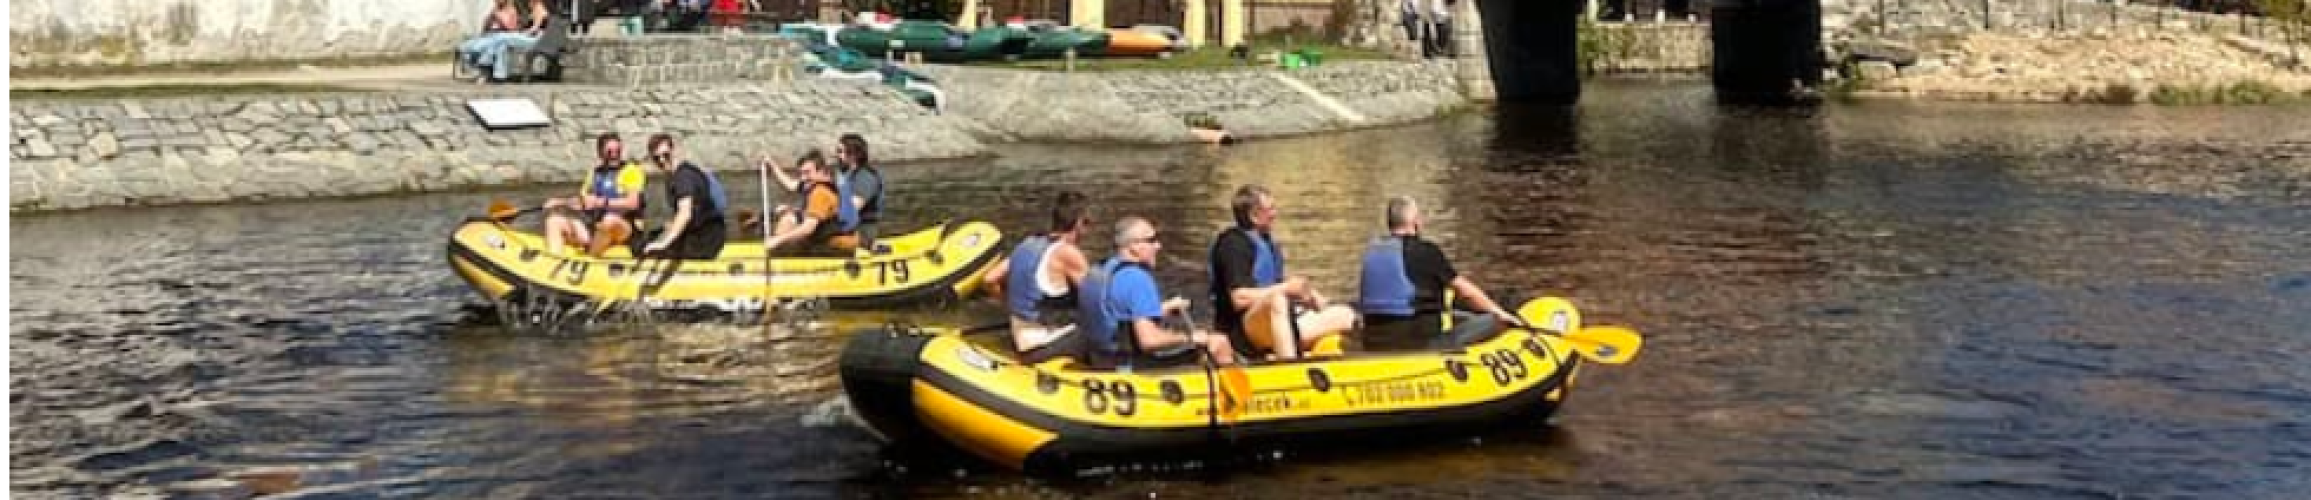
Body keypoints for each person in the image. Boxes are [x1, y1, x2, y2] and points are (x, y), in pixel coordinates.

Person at [1209, 185, 1357, 360]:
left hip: (1273, 322)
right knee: (1277, 300)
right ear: (1254, 216)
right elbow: (1239, 298)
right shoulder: (1233, 245)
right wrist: (1286, 289)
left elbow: (1272, 286)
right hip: (1241, 332)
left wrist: (1306, 295)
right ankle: (1288, 364)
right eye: (1270, 209)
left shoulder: (1266, 242)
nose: (1275, 214)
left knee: (1344, 314)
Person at [1356, 196, 1520, 351]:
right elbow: (1466, 292)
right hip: (1420, 345)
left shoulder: (1373, 253)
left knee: (1456, 315)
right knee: (1493, 320)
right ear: (1416, 222)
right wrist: (1501, 314)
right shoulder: (1426, 251)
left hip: (1376, 344)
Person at [1081, 217, 1239, 369]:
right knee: (1219, 342)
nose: (1158, 246)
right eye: (1151, 240)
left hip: (1100, 360)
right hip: (1130, 366)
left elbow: (1117, 316)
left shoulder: (1099, 270)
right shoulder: (1137, 279)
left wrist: (1163, 308)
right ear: (1133, 246)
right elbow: (1149, 341)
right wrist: (1189, 337)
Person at [981, 190, 1094, 363]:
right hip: (1045, 346)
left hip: (1021, 341)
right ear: (1079, 223)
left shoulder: (1027, 244)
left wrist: (1011, 305)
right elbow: (1097, 300)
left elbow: (989, 279)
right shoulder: (1067, 253)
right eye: (1089, 223)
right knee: (1108, 328)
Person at [762, 134, 885, 249]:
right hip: (835, 224)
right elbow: (793, 185)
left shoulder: (865, 178)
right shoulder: (840, 174)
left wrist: (806, 212)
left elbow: (850, 208)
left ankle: (782, 247)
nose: (836, 154)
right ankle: (779, 250)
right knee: (789, 218)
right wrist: (773, 167)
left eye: (840, 151)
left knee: (801, 224)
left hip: (860, 229)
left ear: (854, 154)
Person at [543, 133, 648, 257]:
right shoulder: (595, 173)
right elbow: (582, 201)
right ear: (600, 153)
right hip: (596, 227)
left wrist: (600, 202)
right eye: (609, 152)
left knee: (609, 220)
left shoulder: (631, 171)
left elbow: (633, 203)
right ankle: (554, 259)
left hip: (624, 228)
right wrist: (560, 202)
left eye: (617, 151)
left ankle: (590, 258)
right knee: (554, 221)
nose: (614, 155)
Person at [635, 133, 729, 260]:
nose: (661, 160)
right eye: (656, 158)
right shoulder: (682, 173)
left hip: (704, 241)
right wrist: (670, 226)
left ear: (674, 151)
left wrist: (664, 243)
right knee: (653, 234)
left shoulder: (683, 178)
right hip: (709, 233)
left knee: (640, 247)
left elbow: (685, 213)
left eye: (666, 155)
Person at [761, 150, 862, 254]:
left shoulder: (820, 192)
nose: (803, 178)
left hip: (836, 246)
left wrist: (777, 240)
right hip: (833, 238)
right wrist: (773, 166)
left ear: (821, 171)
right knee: (789, 217)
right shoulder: (818, 184)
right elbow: (790, 185)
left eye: (807, 172)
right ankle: (778, 252)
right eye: (801, 173)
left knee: (787, 224)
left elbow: (808, 228)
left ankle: (777, 255)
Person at [457, 0, 551, 84]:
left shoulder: (539, 8)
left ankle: (475, 50)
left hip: (536, 40)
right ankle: (498, 75)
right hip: (530, 37)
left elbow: (535, 29)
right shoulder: (534, 8)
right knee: (501, 43)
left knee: (502, 36)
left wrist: (522, 33)